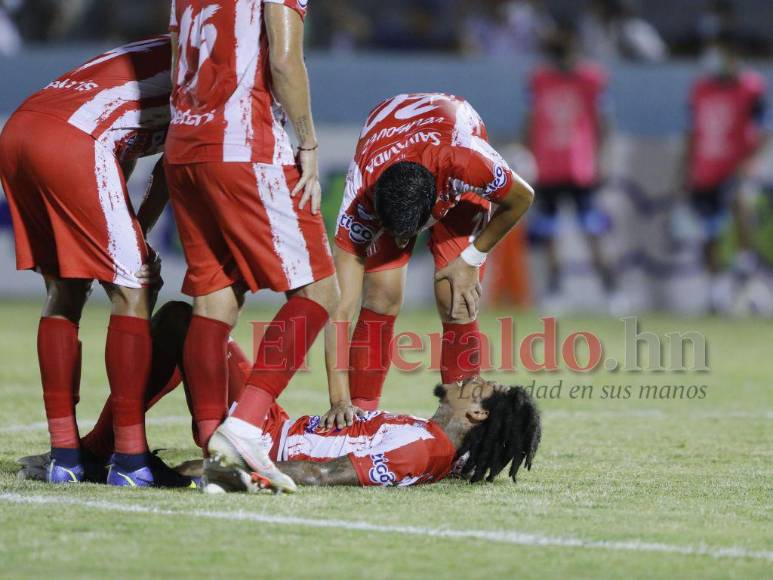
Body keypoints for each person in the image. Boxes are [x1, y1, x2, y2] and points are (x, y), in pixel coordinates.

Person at [18, 302, 543, 491]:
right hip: (274, 420)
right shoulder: (434, 445)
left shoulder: (424, 450)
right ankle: (104, 453)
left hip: (265, 438)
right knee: (184, 323)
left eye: (480, 385)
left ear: (477, 413)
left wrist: (225, 469)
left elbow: (322, 474)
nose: (470, 377)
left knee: (181, 322)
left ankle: (102, 459)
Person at [165, 0, 339, 494]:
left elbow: (178, 55)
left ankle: (213, 454)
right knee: (319, 291)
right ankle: (243, 428)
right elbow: (284, 60)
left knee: (214, 299)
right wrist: (307, 142)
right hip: (243, 143)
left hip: (184, 145)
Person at [0, 35, 174, 486]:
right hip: (77, 138)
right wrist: (140, 234)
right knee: (136, 287)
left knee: (65, 290)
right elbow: (175, 162)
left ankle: (65, 458)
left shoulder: (168, 44)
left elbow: (123, 149)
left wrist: (134, 231)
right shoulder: (218, 65)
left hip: (20, 129)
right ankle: (130, 461)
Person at [327, 93, 534, 424]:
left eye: (408, 235)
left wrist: (473, 257)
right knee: (381, 294)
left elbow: (522, 198)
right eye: (392, 233)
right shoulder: (360, 195)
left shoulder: (467, 163)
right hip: (388, 132)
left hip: (452, 130)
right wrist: (340, 402)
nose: (401, 243)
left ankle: (460, 419)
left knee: (456, 297)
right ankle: (362, 416)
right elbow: (340, 310)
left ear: (437, 204)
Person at [523, 25, 617, 310]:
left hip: (580, 167)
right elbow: (530, 121)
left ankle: (612, 291)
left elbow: (604, 123)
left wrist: (603, 159)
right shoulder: (539, 79)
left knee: (592, 230)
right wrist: (528, 157)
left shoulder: (592, 79)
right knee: (548, 232)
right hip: (548, 167)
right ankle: (555, 291)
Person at [683, 32, 769, 309]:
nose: (714, 59)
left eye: (719, 53)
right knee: (708, 233)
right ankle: (716, 293)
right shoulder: (701, 89)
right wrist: (685, 170)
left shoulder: (752, 87)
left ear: (734, 56)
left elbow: (765, 130)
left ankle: (747, 272)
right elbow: (692, 132)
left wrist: (749, 161)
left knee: (741, 205)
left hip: (736, 168)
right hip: (705, 169)